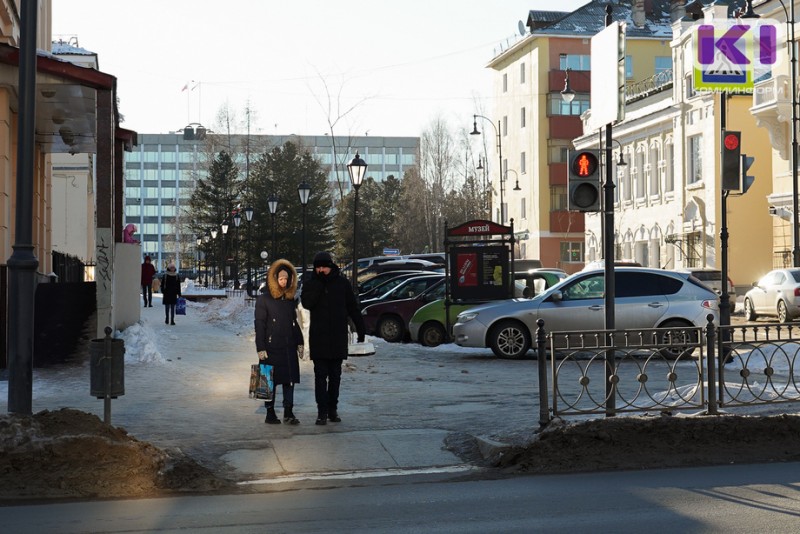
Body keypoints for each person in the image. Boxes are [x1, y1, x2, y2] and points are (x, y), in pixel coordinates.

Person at [300, 251, 366, 426]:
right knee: (320, 376)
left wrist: (360, 328)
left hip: (337, 337)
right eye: (318, 267)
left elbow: (352, 307)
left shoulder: (342, 284)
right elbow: (307, 303)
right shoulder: (311, 284)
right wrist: (319, 285)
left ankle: (332, 409)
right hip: (319, 338)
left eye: (324, 266)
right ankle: (321, 411)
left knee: (335, 376)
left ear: (330, 266)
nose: (321, 270)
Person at [254, 259, 304, 425]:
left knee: (289, 380)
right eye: (281, 278)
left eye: (287, 279)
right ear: (275, 279)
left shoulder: (289, 300)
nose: (284, 282)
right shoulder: (264, 299)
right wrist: (260, 347)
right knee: (269, 380)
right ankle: (270, 412)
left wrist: (299, 341)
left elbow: (293, 322)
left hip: (288, 346)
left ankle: (288, 412)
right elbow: (259, 324)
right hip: (270, 346)